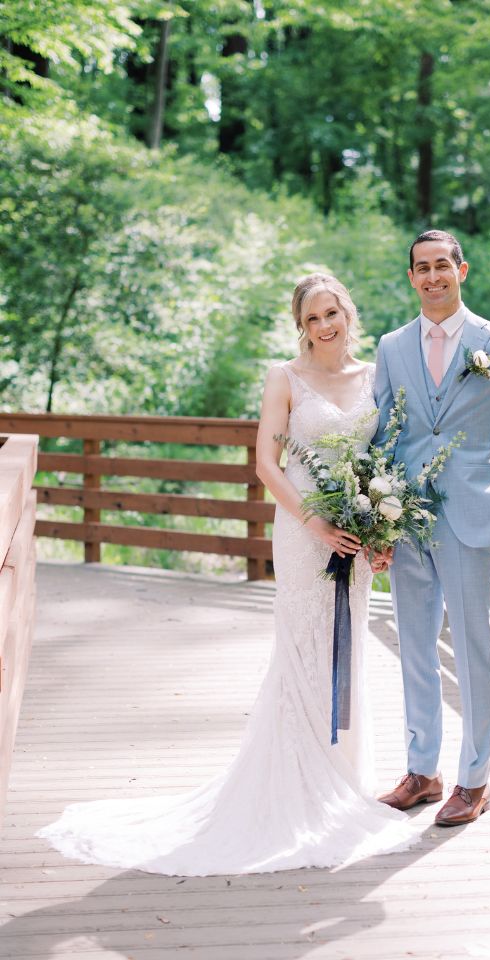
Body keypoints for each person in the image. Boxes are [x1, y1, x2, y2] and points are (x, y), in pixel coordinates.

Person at [36, 274, 419, 875]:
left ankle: (341, 782)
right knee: (302, 650)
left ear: (349, 311)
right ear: (301, 325)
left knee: (344, 651)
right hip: (303, 529)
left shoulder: (374, 376)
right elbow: (267, 463)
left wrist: (377, 532)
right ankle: (292, 791)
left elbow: (385, 457)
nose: (325, 326)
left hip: (355, 530)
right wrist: (316, 522)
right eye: (313, 317)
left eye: (333, 312)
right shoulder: (284, 378)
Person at [374, 230, 490, 826]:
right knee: (415, 648)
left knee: (474, 649)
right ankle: (422, 771)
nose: (433, 277)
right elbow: (381, 435)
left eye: (442, 266)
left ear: (462, 270)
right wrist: (375, 516)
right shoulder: (391, 346)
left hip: (472, 516)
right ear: (411, 278)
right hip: (406, 518)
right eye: (421, 268)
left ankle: (474, 780)